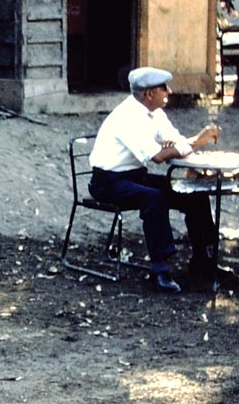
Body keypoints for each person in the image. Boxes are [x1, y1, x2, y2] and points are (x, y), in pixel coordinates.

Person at [88, 67, 221, 293]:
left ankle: (202, 256)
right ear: (149, 94)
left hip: (133, 176)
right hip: (108, 182)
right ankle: (160, 268)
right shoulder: (127, 116)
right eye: (163, 88)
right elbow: (158, 156)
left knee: (194, 194)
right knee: (154, 198)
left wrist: (191, 143)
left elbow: (176, 142)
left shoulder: (155, 113)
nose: (168, 91)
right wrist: (195, 143)